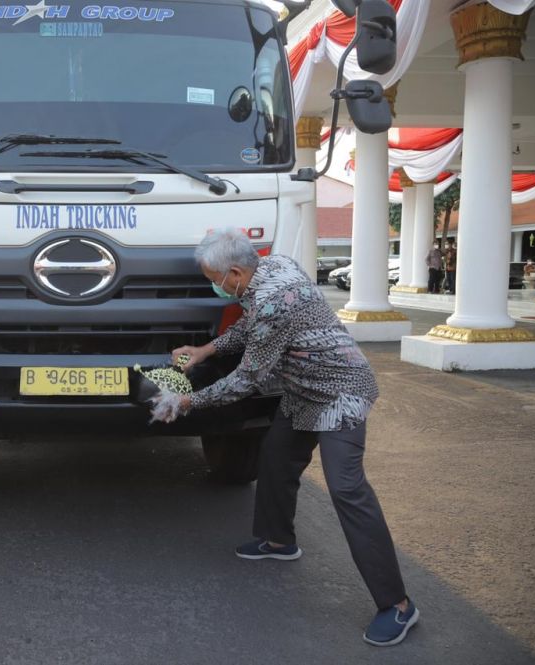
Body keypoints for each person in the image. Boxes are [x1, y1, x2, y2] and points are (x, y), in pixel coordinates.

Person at [152, 229, 417, 647]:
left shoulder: (277, 300)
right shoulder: (272, 266)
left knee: (347, 489)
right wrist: (206, 350)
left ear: (235, 273)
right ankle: (278, 541)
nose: (214, 286)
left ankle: (398, 604)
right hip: (302, 390)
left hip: (341, 392)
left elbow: (246, 380)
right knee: (276, 458)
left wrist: (187, 402)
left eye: (214, 280)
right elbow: (250, 327)